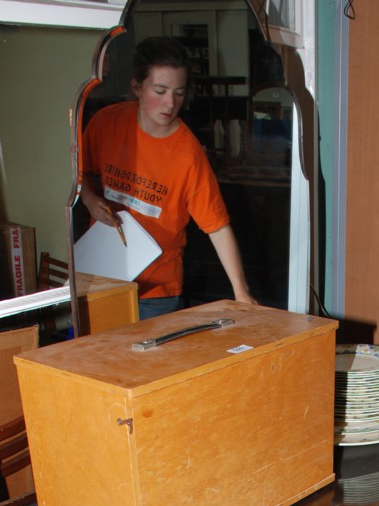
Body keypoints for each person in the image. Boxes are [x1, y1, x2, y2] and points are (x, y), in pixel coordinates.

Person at [80, 36, 256, 319]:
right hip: (104, 279)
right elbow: (83, 173)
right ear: (137, 86)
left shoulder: (188, 153)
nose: (169, 103)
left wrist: (240, 290)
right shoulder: (106, 122)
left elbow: (217, 227)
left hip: (158, 291)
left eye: (179, 93)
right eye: (160, 91)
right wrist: (89, 199)